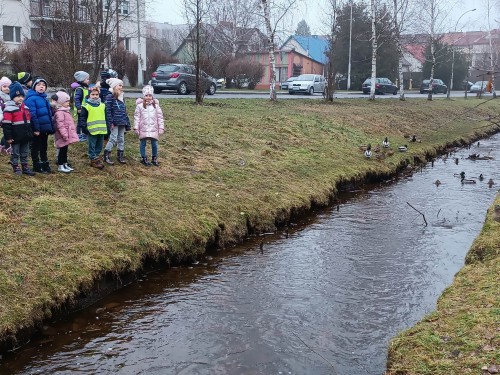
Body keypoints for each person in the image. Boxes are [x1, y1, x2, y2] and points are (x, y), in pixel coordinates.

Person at [2, 82, 35, 176]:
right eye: (17, 96)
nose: (20, 98)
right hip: (15, 137)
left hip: (25, 136)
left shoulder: (26, 108)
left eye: (22, 96)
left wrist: (30, 134)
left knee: (25, 152)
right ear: (12, 97)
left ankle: (25, 166)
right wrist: (8, 137)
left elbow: (29, 123)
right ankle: (15, 166)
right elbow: (6, 125)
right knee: (16, 152)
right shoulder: (9, 109)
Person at [24, 77, 55, 173]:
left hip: (44, 128)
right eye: (39, 85)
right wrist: (36, 129)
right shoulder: (31, 99)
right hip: (36, 129)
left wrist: (51, 127)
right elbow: (32, 115)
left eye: (43, 85)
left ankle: (45, 163)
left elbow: (48, 113)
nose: (41, 87)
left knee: (44, 147)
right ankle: (36, 165)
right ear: (34, 87)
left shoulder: (44, 98)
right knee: (35, 147)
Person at [133, 85, 164, 167]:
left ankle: (154, 158)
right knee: (143, 143)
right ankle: (144, 158)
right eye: (146, 95)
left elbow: (160, 117)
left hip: (154, 129)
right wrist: (136, 127)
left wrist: (161, 127)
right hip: (143, 128)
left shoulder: (156, 106)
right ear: (144, 96)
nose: (148, 97)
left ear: (152, 96)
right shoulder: (139, 106)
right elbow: (137, 117)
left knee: (154, 144)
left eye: (150, 95)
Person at [103, 78, 130, 165]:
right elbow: (108, 111)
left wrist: (127, 121)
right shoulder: (109, 96)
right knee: (113, 138)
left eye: (122, 85)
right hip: (114, 122)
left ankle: (120, 155)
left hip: (122, 121)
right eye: (119, 85)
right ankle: (106, 155)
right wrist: (110, 122)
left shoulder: (122, 96)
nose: (121, 87)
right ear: (114, 86)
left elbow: (124, 110)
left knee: (121, 138)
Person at [80, 86, 107, 170]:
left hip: (101, 129)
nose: (95, 96)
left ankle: (97, 157)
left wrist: (108, 127)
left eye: (96, 94)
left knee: (99, 145)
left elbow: (106, 117)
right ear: (89, 95)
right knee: (92, 145)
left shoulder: (102, 105)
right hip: (91, 130)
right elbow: (82, 118)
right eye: (93, 94)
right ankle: (93, 159)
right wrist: (84, 128)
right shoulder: (86, 106)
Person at [53, 91, 79, 173]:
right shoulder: (60, 112)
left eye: (68, 101)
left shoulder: (65, 111)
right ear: (60, 103)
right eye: (66, 101)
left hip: (67, 135)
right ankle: (60, 165)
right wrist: (64, 134)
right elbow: (60, 125)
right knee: (62, 151)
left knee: (65, 150)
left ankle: (65, 163)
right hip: (62, 136)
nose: (68, 103)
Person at [72, 71, 90, 141]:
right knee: (80, 122)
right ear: (82, 80)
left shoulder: (84, 88)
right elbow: (77, 99)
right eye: (87, 79)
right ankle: (78, 134)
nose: (88, 80)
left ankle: (83, 134)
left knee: (84, 121)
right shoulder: (79, 89)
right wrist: (79, 107)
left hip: (85, 108)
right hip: (81, 109)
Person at [0, 76, 12, 154]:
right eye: (4, 86)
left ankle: (2, 145)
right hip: (3, 118)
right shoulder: (0, 97)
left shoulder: (11, 96)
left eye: (8, 86)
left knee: (8, 132)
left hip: (10, 117)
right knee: (7, 132)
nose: (7, 88)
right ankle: (7, 148)